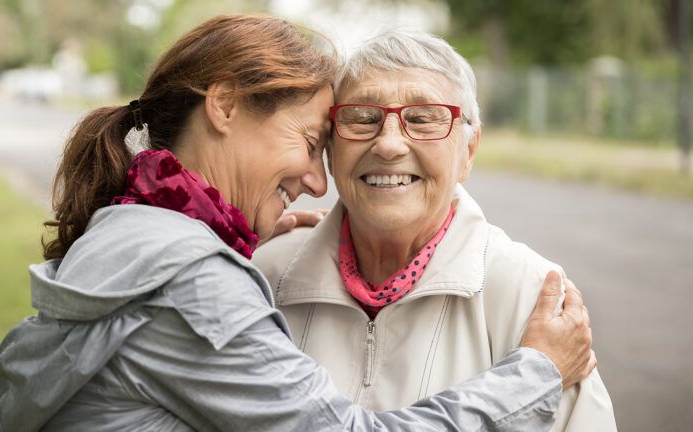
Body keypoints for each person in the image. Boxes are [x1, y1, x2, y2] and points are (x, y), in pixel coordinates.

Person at [0, 14, 594, 431]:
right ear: (223, 105)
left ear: (469, 145)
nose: (316, 179)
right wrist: (534, 374)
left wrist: (224, 251)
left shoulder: (135, 233)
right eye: (316, 138)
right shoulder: (198, 280)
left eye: (426, 118)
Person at [253, 30, 616, 431]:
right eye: (362, 117)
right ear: (331, 149)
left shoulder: (531, 295)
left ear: (468, 152)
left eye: (424, 119)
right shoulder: (263, 276)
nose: (389, 145)